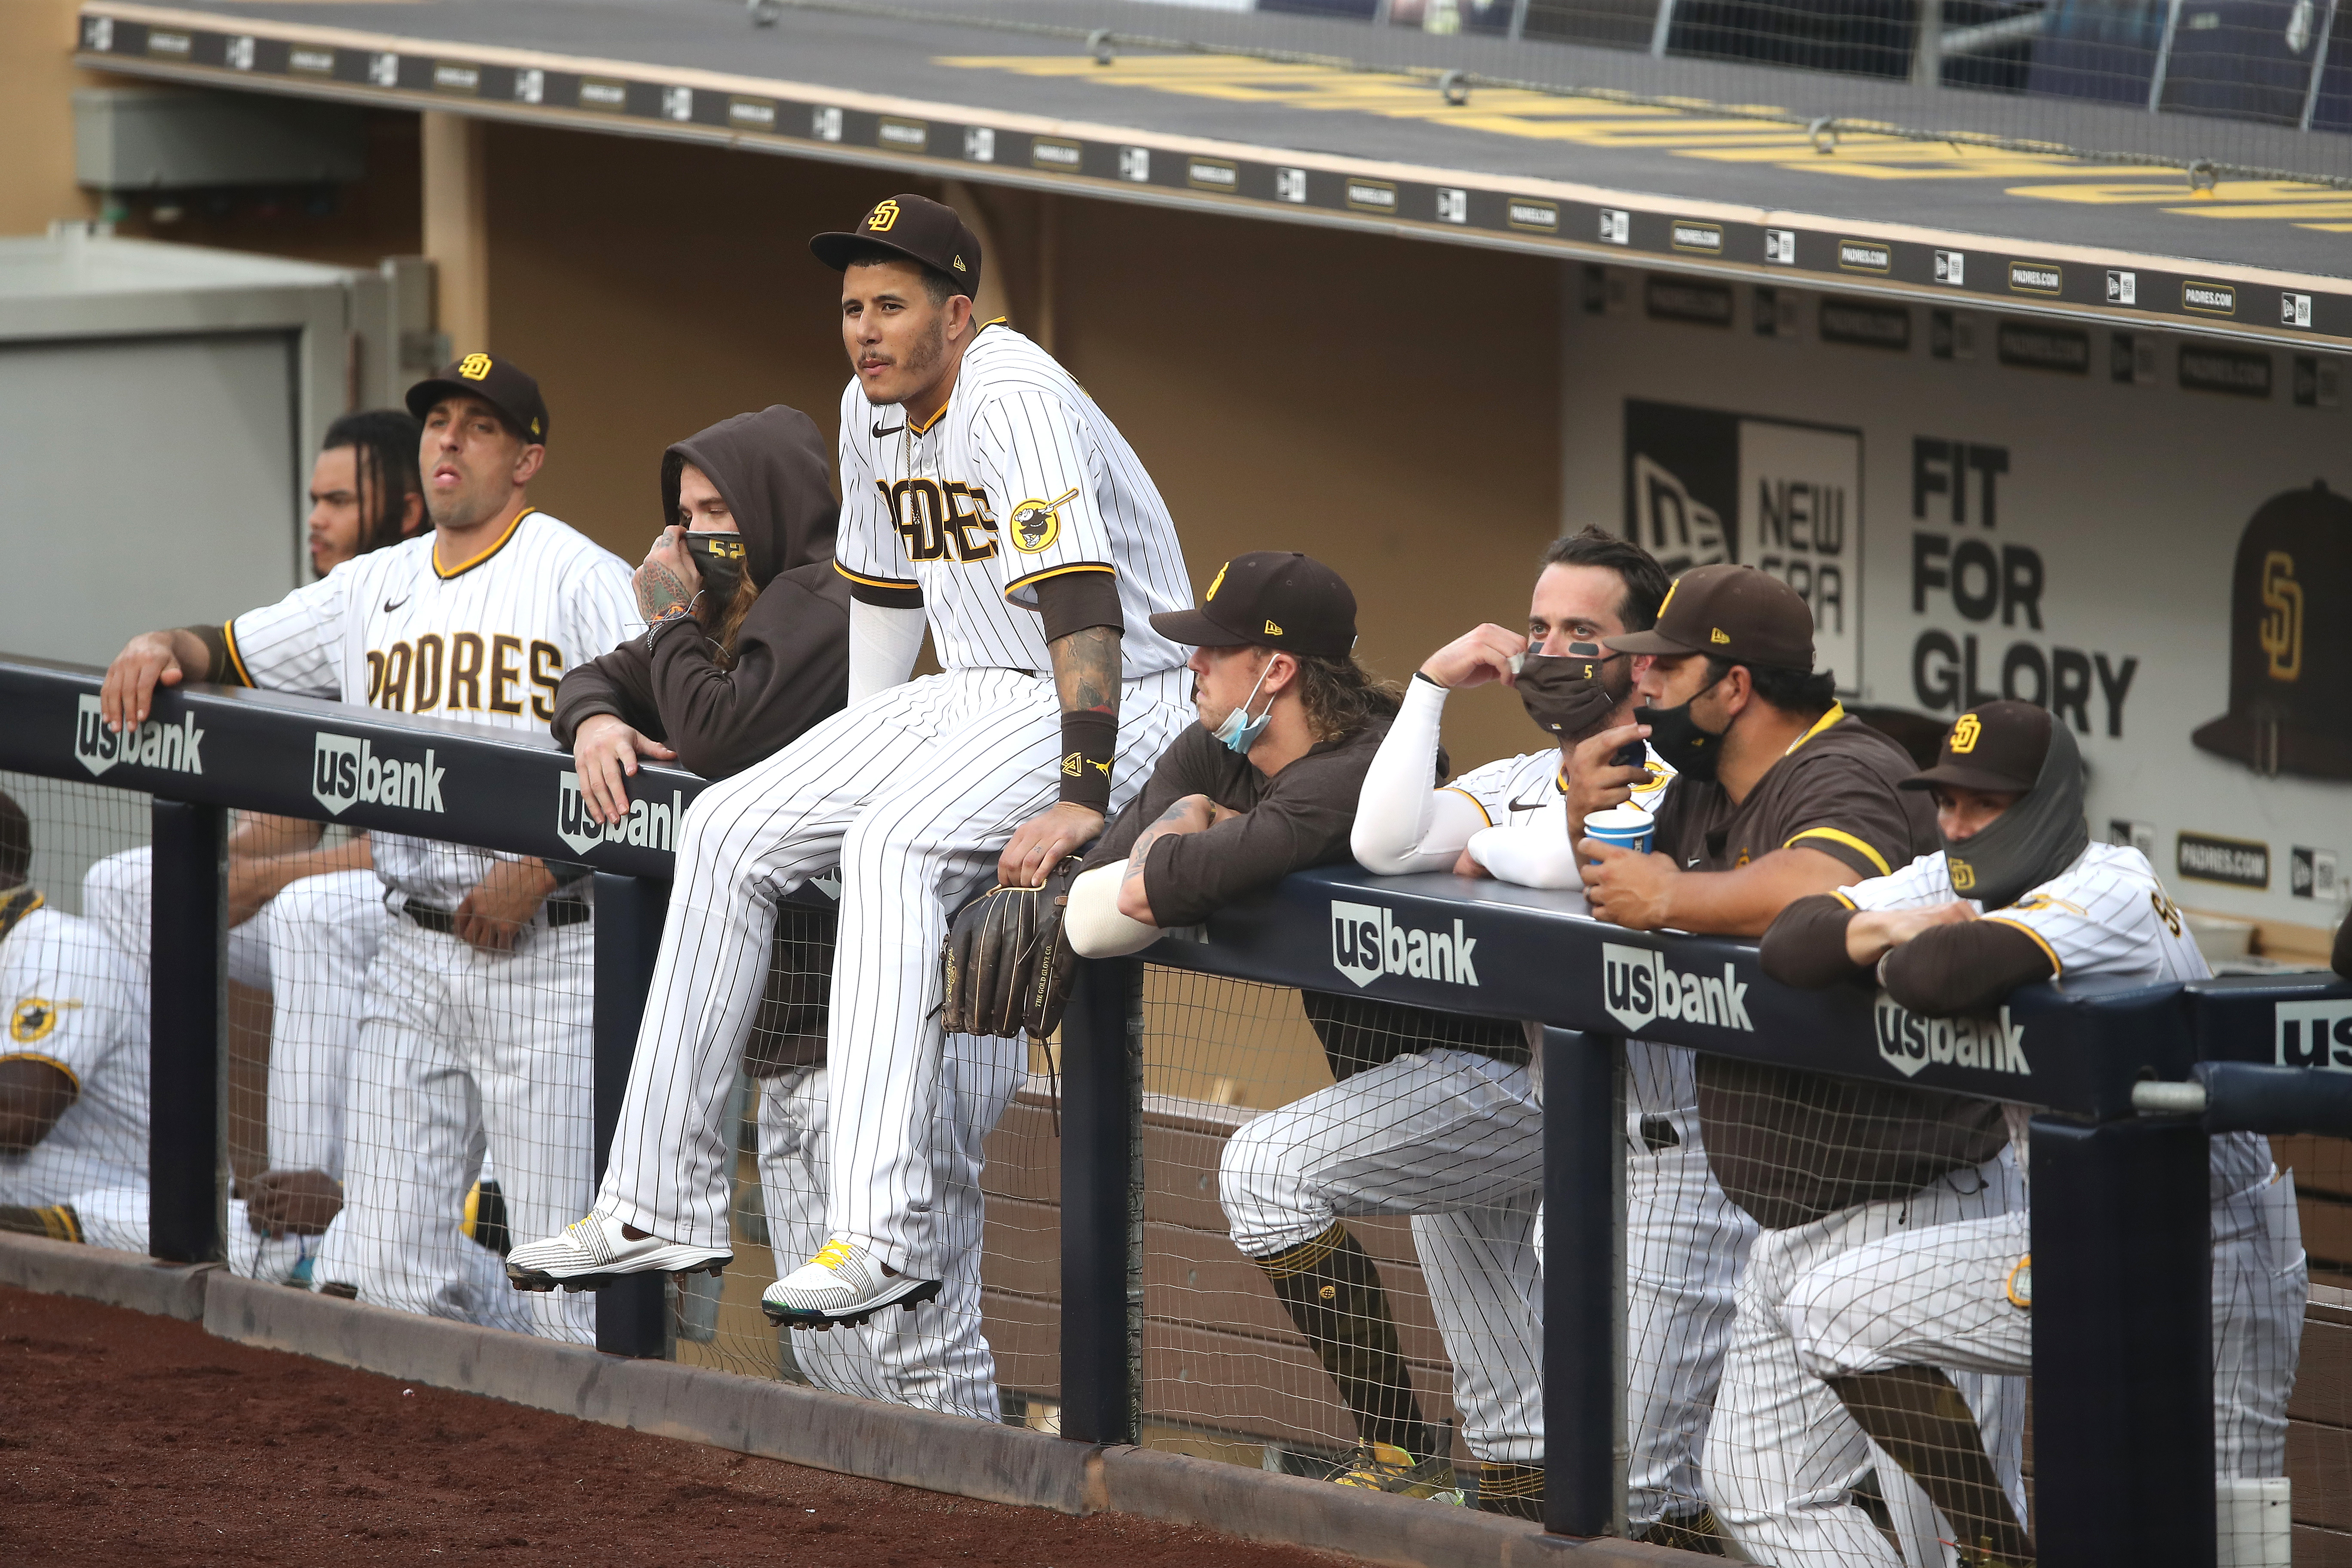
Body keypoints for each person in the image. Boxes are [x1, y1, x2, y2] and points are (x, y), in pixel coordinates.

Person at [503, 194, 1194, 1340]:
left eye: (892, 305)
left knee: (894, 846)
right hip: (977, 688)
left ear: (959, 315)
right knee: (728, 828)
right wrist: (851, 765)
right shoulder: (864, 410)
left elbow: (1082, 604)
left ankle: (885, 1235)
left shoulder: (1010, 392)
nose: (864, 330)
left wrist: (1083, 791)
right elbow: (883, 602)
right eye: (851, 308)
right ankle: (653, 1206)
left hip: (1114, 694)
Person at [98, 355, 635, 1342]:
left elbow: (656, 752)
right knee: (383, 1261)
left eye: (480, 426)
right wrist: (157, 645)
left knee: (567, 1281)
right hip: (414, 948)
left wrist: (548, 865)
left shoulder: (576, 573)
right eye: (439, 422)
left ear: (527, 459)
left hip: (552, 952)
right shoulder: (368, 588)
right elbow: (220, 644)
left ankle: (585, 1482)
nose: (451, 440)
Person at [1760, 700, 2304, 1568]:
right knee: (1832, 1308)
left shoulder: (2112, 885)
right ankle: (1996, 1551)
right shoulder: (1951, 881)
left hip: (2215, 1239)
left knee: (2223, 1533)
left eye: (1985, 803)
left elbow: (1949, 972)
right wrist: (1897, 924)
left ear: (2048, 803)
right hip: (2079, 1231)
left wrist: (1885, 952)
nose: (1956, 824)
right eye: (1946, 800)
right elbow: (1791, 937)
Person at [541, 406, 1003, 1421]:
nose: (695, 535)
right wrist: (600, 716)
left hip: (885, 1041)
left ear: (769, 505)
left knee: (917, 1348)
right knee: (838, 1355)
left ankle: (998, 1523)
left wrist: (665, 625)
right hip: (798, 1041)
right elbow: (597, 677)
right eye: (683, 514)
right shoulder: (730, 614)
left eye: (718, 510)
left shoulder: (829, 595)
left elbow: (717, 736)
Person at [1248, 527, 1711, 1531]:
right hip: (1570, 1135)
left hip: (1682, 1156)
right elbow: (1384, 839)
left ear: (1645, 658)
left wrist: (1495, 852)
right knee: (1590, 1480)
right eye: (1539, 626)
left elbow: (1573, 862)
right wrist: (1430, 685)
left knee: (1642, 1486)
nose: (1550, 648)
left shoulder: (1680, 774)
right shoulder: (1514, 777)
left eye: (1581, 630)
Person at [1575, 563, 1980, 1563]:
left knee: (1954, 1526)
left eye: (1664, 669)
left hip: (1912, 1204)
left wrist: (1672, 898)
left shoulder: (1850, 770)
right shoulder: (1706, 791)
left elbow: (1826, 882)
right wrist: (1584, 807)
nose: (1644, 686)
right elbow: (1620, 883)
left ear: (1736, 685)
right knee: (1758, 1492)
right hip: (1795, 1220)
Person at [80, 408, 431, 1283]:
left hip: (439, 913)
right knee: (131, 885)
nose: (316, 517)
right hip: (354, 901)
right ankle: (153, 1161)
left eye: (340, 500)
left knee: (310, 909)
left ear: (408, 507)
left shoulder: (437, 609)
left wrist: (270, 875)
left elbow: (420, 845)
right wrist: (227, 868)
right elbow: (293, 808)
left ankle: (298, 1233)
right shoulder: (329, 613)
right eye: (314, 498)